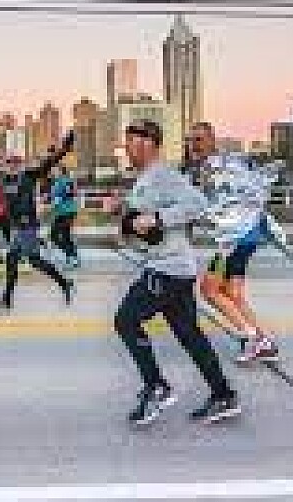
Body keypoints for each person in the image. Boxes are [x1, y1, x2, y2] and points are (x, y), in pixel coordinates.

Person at [114, 120, 240, 427]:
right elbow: (141, 222)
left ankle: (156, 386)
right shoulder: (146, 179)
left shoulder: (163, 175)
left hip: (166, 270)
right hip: (173, 268)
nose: (126, 148)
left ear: (147, 143)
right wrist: (122, 210)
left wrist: (158, 218)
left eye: (130, 142)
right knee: (190, 336)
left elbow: (198, 204)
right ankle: (223, 395)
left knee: (126, 320)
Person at [186, 122, 281, 364]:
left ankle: (252, 339)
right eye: (190, 140)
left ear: (211, 140)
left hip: (236, 238)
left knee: (209, 290)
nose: (193, 145)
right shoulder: (217, 165)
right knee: (232, 292)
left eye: (198, 140)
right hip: (245, 234)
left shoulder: (216, 167)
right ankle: (264, 340)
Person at [0, 132, 77, 312]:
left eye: (16, 162)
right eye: (9, 162)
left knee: (32, 261)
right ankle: (8, 300)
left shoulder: (29, 175)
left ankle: (64, 283)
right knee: (14, 260)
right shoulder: (1, 178)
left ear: (21, 164)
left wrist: (65, 148)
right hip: (18, 227)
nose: (12, 165)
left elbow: (49, 163)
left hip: (27, 225)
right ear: (5, 164)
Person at [48, 165, 81, 270]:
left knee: (55, 235)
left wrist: (52, 203)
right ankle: (72, 256)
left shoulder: (63, 182)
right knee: (65, 235)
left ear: (60, 171)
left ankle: (71, 256)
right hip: (65, 212)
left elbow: (64, 196)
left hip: (65, 212)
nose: (52, 172)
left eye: (55, 170)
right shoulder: (62, 181)